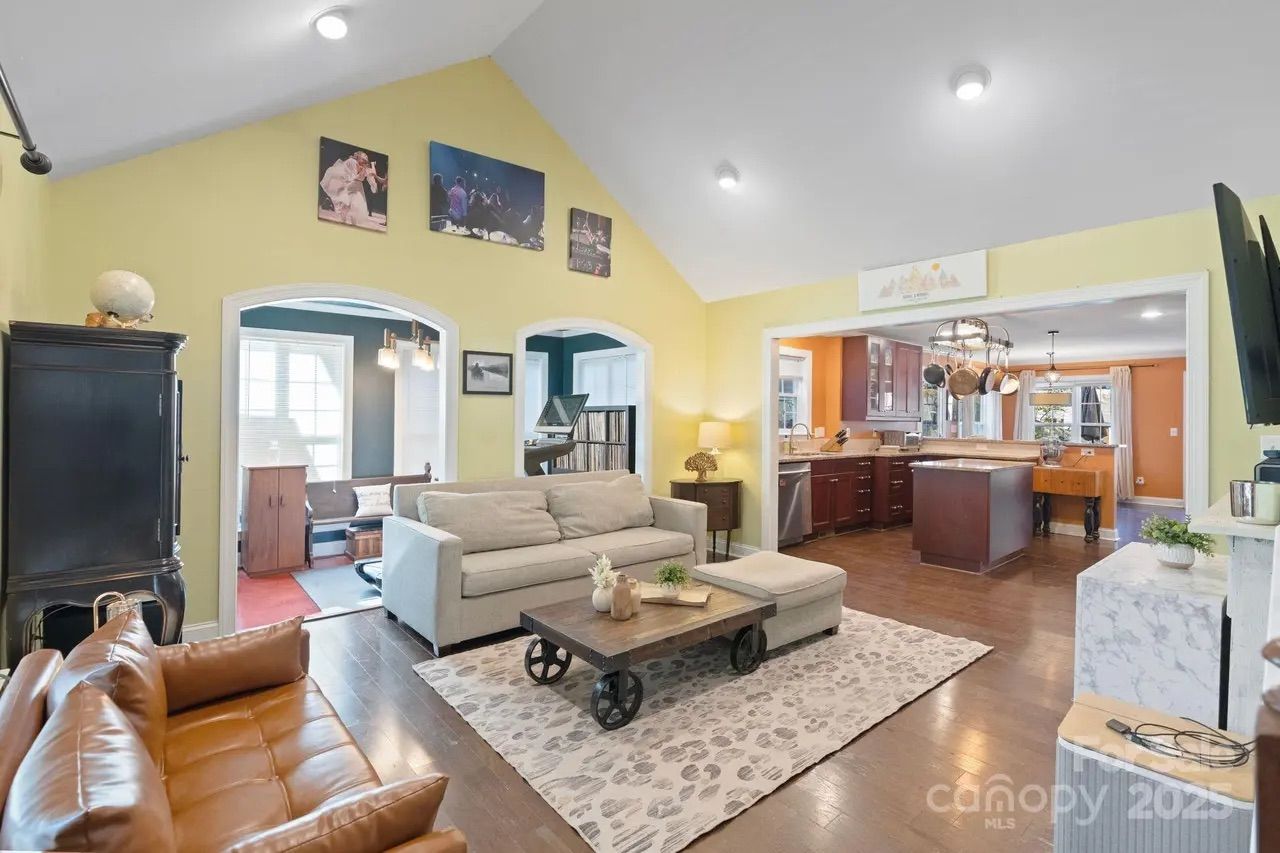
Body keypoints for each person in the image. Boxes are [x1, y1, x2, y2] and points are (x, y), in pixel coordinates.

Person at [319, 150, 385, 228]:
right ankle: (343, 221)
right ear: (357, 158)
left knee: (356, 206)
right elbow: (350, 176)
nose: (364, 161)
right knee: (346, 205)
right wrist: (362, 171)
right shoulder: (352, 162)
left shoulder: (366, 168)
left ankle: (354, 225)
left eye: (365, 160)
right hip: (349, 185)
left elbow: (371, 180)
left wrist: (373, 186)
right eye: (363, 159)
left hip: (358, 188)